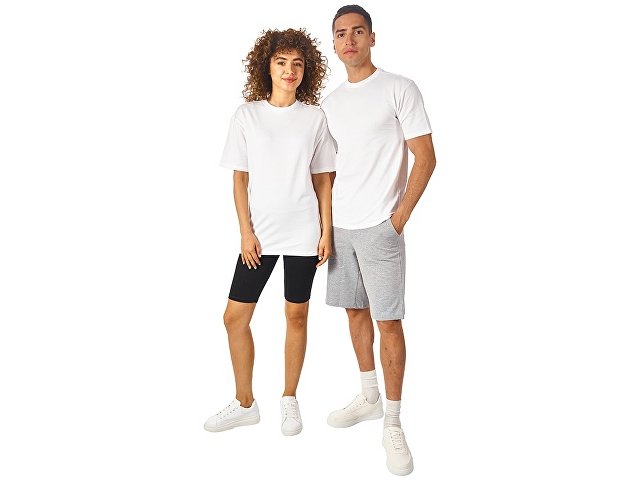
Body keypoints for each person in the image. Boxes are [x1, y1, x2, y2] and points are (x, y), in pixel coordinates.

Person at [321, 5, 437, 476]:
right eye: (340, 34)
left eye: (357, 32)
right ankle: (368, 395)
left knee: (388, 321)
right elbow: (326, 171)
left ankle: (392, 421)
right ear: (333, 44)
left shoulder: (398, 88)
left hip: (381, 227)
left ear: (372, 37)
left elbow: (425, 156)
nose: (349, 40)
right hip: (341, 227)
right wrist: (324, 227)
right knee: (354, 311)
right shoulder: (329, 103)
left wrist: (399, 218)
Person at [204, 28, 335, 436]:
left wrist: (326, 231)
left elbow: (323, 180)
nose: (289, 70)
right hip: (260, 234)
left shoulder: (314, 118)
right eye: (281, 62)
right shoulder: (247, 115)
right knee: (234, 318)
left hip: (303, 231)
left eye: (297, 63)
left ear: (307, 70)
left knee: (296, 315)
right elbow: (239, 179)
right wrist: (245, 232)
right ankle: (245, 403)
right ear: (267, 66)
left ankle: (289, 398)